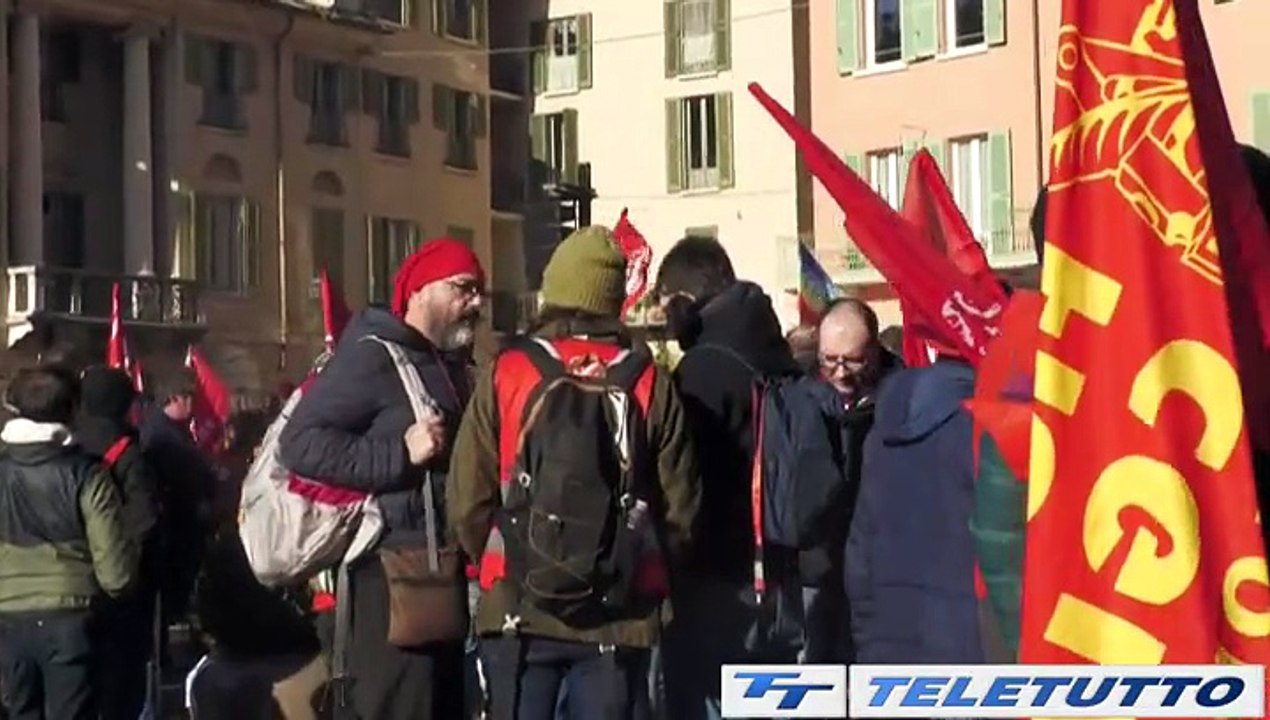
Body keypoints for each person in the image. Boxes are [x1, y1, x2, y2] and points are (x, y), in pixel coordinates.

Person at [448, 226, 700, 719]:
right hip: (618, 620)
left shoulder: (508, 372)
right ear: (613, 300)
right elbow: (681, 508)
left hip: (517, 609)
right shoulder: (650, 380)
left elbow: (467, 498)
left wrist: (512, 561)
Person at [279, 237, 485, 720]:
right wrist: (399, 453)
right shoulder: (372, 356)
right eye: (464, 288)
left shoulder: (450, 366)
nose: (475, 302)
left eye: (479, 292)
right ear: (421, 291)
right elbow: (301, 443)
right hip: (386, 577)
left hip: (440, 571)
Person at [653, 236, 801, 720]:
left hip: (718, 567)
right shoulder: (773, 349)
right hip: (781, 560)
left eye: (662, 301)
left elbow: (684, 474)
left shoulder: (703, 367)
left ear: (683, 299)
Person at [0, 366, 138, 720]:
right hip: (71, 616)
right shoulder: (87, 474)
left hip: (7, 618)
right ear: (72, 410)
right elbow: (115, 573)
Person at [844, 337, 982, 663]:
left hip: (887, 638)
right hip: (967, 643)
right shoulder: (984, 427)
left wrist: (866, 636)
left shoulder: (880, 435)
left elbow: (859, 555)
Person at [798, 299, 900, 664]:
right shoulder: (800, 396)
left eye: (853, 361)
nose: (840, 373)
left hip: (882, 573)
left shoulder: (901, 397)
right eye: (830, 360)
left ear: (874, 350)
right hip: (818, 571)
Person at [76, 366, 161, 720]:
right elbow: (144, 521)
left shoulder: (65, 443)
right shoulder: (126, 452)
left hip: (69, 583)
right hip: (121, 588)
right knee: (119, 689)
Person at [140, 367, 218, 629]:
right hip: (177, 528)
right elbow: (183, 482)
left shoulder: (171, 430)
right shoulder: (163, 436)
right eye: (188, 397)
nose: (193, 404)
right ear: (174, 398)